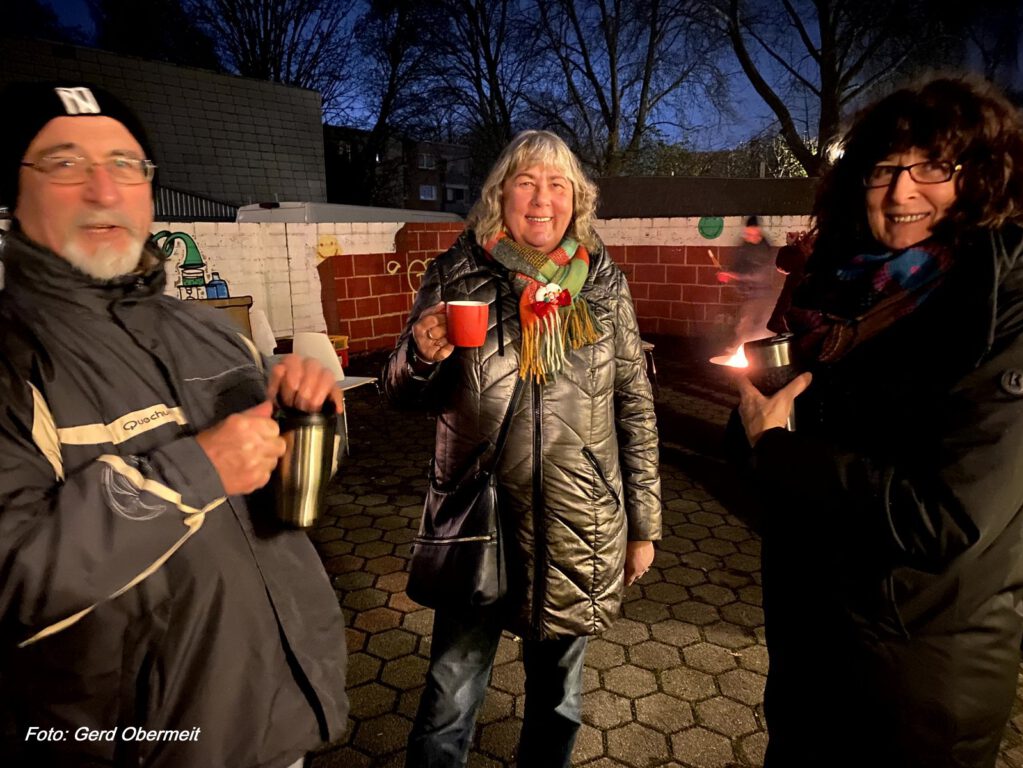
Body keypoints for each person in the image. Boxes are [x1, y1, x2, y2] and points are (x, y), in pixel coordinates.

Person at [0, 82, 348, 768]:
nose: (105, 190)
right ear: (14, 194)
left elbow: (288, 501)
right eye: (66, 164)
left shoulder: (209, 332)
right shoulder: (13, 360)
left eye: (127, 165)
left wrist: (309, 421)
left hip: (278, 719)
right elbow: (14, 578)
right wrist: (198, 470)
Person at [732, 76, 1023, 767]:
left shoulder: (999, 305)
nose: (901, 193)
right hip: (817, 657)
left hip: (912, 684)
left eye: (933, 166)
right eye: (884, 169)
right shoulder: (852, 289)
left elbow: (950, 517)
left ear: (981, 176)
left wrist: (775, 448)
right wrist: (754, 421)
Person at [383, 130, 661, 767]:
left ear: (577, 200)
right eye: (526, 182)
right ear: (500, 194)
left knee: (559, 699)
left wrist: (643, 526)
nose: (542, 198)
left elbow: (635, 408)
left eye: (557, 184)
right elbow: (399, 394)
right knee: (451, 695)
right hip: (479, 522)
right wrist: (419, 358)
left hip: (578, 518)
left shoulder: (603, 288)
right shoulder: (456, 273)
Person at [717, 215, 778, 351]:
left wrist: (735, 275)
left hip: (763, 296)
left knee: (762, 326)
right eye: (747, 233)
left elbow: (758, 275)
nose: (749, 236)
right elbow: (736, 266)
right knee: (744, 323)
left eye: (752, 233)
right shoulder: (744, 246)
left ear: (758, 232)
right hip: (749, 295)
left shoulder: (764, 248)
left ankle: (761, 354)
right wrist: (728, 274)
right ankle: (739, 350)